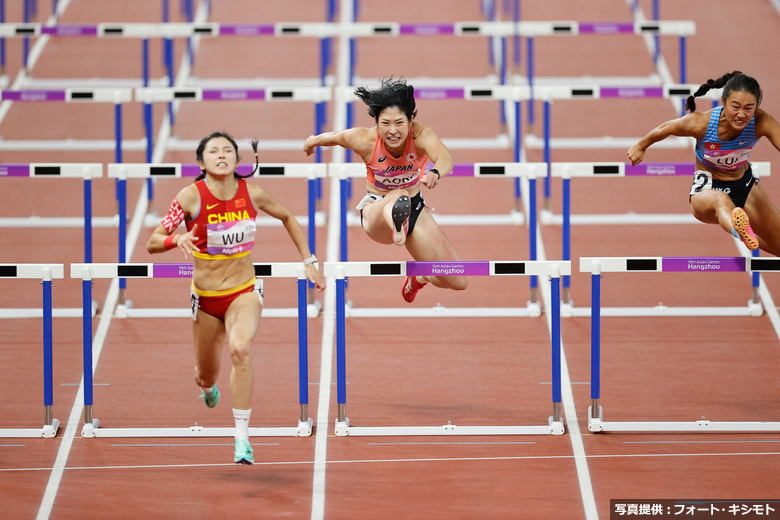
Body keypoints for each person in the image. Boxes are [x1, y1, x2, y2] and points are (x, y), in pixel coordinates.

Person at [146, 131, 325, 464]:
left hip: (244, 292)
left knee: (240, 348)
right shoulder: (189, 198)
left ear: (237, 160)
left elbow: (287, 216)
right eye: (213, 151)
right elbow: (153, 241)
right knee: (206, 375)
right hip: (206, 299)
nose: (221, 154)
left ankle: (242, 438)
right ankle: (207, 387)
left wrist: (309, 261)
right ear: (202, 162)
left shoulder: (253, 194)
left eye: (227, 149)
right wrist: (177, 240)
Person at [303, 77, 468, 302]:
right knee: (399, 194)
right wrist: (312, 141)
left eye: (399, 123)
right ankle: (395, 220)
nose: (392, 131)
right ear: (376, 122)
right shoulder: (364, 139)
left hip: (415, 210)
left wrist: (435, 173)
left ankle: (418, 277)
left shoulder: (421, 136)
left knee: (458, 280)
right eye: (385, 123)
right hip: (376, 211)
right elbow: (336, 137)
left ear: (410, 120)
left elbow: (445, 158)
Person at [628, 71, 780, 256]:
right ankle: (737, 227)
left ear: (757, 106)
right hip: (707, 189)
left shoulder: (762, 122)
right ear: (723, 101)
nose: (741, 114)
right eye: (736, 106)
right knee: (720, 200)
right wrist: (642, 145)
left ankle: (747, 234)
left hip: (745, 186)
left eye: (749, 108)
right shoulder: (702, 123)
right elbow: (667, 127)